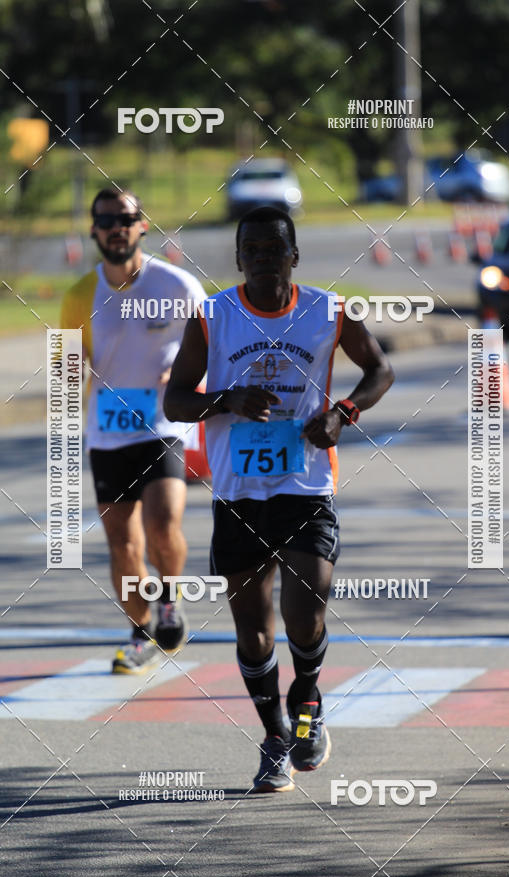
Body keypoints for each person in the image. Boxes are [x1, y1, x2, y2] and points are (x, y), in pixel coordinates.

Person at [164, 205, 394, 792]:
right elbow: (175, 402)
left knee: (306, 612)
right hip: (238, 493)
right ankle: (274, 738)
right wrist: (226, 400)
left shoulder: (328, 310)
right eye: (253, 251)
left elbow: (380, 370)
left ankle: (307, 700)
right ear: (239, 259)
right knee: (253, 632)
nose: (264, 259)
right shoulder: (212, 316)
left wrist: (343, 413)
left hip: (305, 485)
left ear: (294, 256)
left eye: (274, 249)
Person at [61, 187, 206, 674]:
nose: (115, 229)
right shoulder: (79, 296)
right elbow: (65, 369)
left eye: (125, 219)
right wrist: (69, 372)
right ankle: (141, 633)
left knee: (163, 524)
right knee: (123, 546)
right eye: (105, 221)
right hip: (108, 430)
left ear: (142, 225)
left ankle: (170, 598)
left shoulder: (178, 285)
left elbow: (213, 346)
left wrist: (187, 376)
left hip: (164, 424)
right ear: (93, 231)